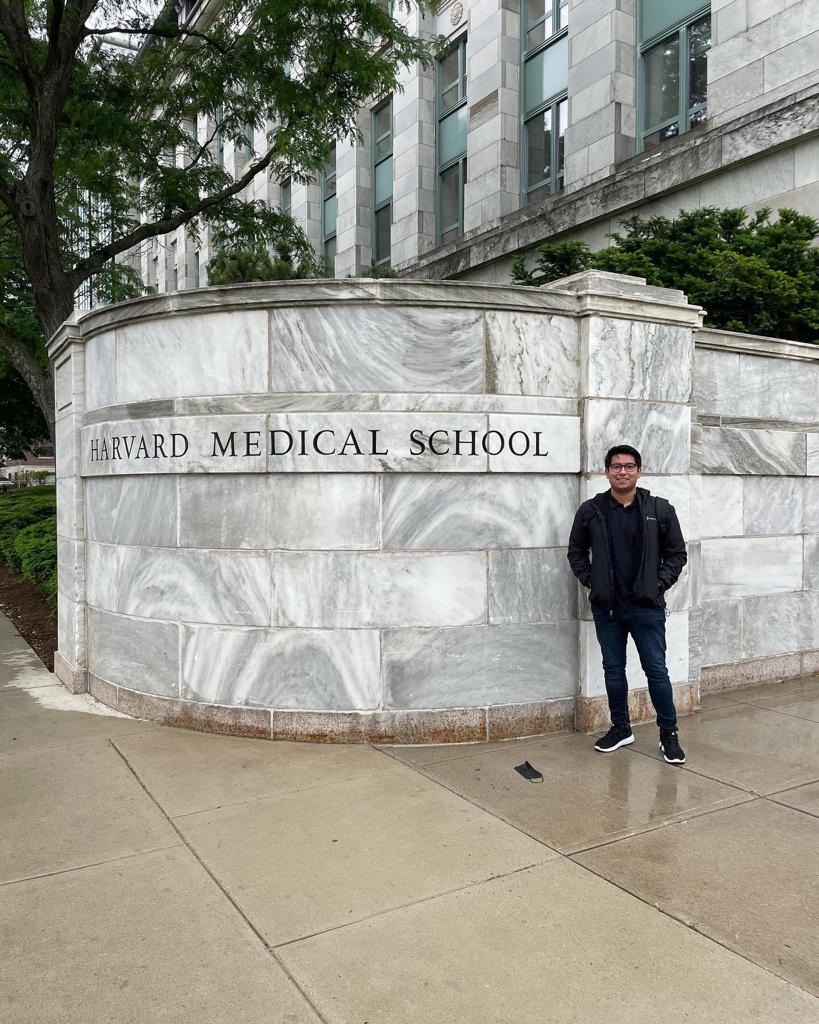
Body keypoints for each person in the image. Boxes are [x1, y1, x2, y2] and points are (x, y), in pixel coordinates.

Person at [567, 444, 688, 764]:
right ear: (606, 471)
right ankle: (621, 727)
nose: (622, 471)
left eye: (629, 466)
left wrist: (657, 584)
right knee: (613, 670)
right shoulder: (591, 510)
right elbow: (576, 552)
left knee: (656, 671)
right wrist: (592, 581)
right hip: (607, 608)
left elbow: (677, 554)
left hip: (646, 608)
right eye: (616, 466)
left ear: (639, 470)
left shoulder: (660, 509)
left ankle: (669, 734)